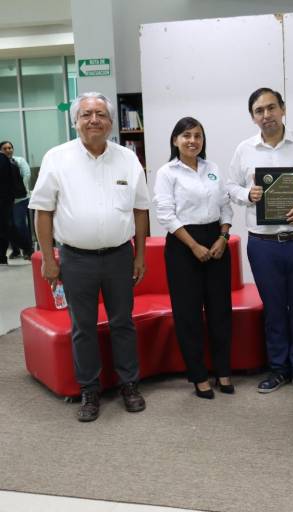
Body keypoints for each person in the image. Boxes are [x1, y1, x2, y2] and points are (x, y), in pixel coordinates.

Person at [28, 92, 149, 422]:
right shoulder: (57, 157)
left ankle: (129, 383)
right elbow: (42, 210)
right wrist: (49, 260)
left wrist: (140, 255)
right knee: (82, 326)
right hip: (75, 259)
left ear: (110, 122)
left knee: (123, 323)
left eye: (100, 114)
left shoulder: (127, 158)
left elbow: (140, 210)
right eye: (86, 114)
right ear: (76, 121)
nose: (93, 119)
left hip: (119, 257)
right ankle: (89, 389)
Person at [226, 87, 293, 395]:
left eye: (271, 108)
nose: (266, 115)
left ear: (283, 109)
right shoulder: (244, 149)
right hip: (263, 244)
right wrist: (248, 195)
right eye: (259, 111)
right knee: (273, 308)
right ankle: (278, 369)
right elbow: (230, 186)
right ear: (252, 117)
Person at [153, 117, 234, 399]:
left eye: (198, 136)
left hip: (216, 242)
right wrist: (193, 246)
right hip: (182, 245)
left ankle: (223, 370)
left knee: (220, 311)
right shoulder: (167, 172)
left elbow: (225, 206)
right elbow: (165, 214)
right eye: (186, 135)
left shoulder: (212, 169)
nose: (192, 141)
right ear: (175, 140)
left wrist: (223, 237)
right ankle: (199, 376)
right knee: (188, 314)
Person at [1, 141, 33, 259]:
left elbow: (27, 174)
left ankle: (27, 250)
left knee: (19, 225)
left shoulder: (18, 161)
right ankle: (15, 250)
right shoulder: (3, 163)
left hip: (20, 199)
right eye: (5, 148)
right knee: (9, 226)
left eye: (10, 148)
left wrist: (20, 190)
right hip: (7, 201)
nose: (8, 150)